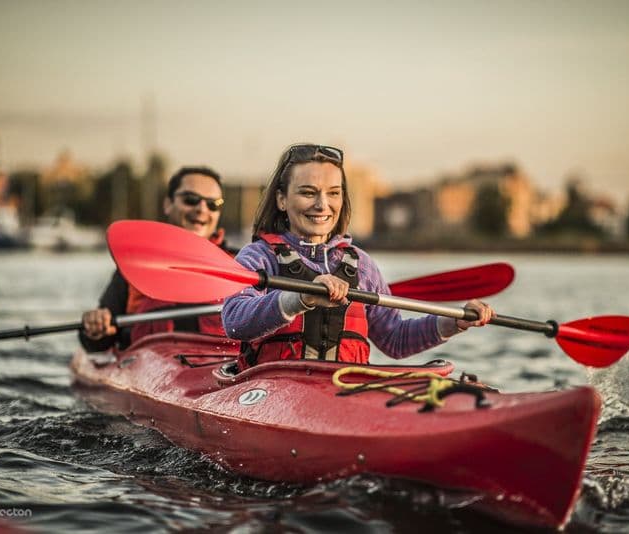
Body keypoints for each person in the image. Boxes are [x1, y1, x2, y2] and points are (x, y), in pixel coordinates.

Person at [221, 144, 494, 369]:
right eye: (307, 193)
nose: (322, 204)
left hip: (344, 389)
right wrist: (300, 298)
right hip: (272, 393)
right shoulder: (258, 258)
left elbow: (395, 340)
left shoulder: (361, 265)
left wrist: (454, 322)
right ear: (282, 200)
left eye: (333, 193)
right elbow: (234, 323)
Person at [80, 166, 236, 352]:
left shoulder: (240, 265)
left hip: (220, 363)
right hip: (151, 363)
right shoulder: (137, 266)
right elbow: (97, 342)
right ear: (168, 204)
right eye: (190, 199)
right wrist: (96, 326)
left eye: (213, 204)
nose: (202, 209)